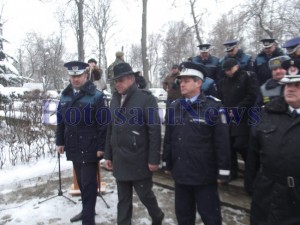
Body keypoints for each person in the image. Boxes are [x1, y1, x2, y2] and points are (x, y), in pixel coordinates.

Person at [163, 61, 231, 225]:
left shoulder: (213, 107)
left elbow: (222, 142)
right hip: (181, 175)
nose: (182, 84)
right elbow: (169, 138)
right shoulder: (174, 107)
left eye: (187, 81)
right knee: (184, 216)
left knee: (210, 217)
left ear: (198, 83)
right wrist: (167, 162)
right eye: (181, 81)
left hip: (204, 176)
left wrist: (223, 170)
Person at [104, 62, 164, 225]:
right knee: (123, 200)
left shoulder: (146, 99)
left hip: (139, 159)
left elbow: (154, 130)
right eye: (115, 81)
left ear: (131, 79)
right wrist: (108, 155)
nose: (117, 84)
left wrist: (153, 159)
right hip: (119, 159)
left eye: (120, 80)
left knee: (145, 195)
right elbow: (111, 129)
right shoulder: (114, 100)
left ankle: (157, 215)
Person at [245, 58, 300, 225]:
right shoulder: (267, 113)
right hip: (266, 192)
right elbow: (253, 155)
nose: (291, 89)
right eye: (288, 85)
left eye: (297, 85)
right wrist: (251, 186)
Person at [56, 61, 108, 225]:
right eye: (72, 76)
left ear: (86, 75)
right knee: (81, 184)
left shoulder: (97, 96)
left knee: (89, 184)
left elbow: (103, 124)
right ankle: (87, 211)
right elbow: (61, 121)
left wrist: (101, 147)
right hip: (73, 146)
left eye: (78, 75)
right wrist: (60, 141)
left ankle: (88, 219)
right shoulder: (65, 95)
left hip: (90, 147)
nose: (75, 79)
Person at [218, 58, 259, 181]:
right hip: (228, 116)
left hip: (244, 116)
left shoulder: (247, 76)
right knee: (229, 145)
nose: (228, 73)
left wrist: (239, 108)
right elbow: (221, 97)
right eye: (225, 71)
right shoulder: (224, 81)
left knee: (242, 145)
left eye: (230, 70)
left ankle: (251, 174)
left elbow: (252, 95)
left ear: (237, 66)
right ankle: (232, 172)